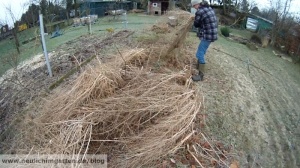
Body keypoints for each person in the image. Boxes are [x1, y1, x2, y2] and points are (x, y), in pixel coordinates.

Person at [191, 0, 218, 81]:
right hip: (213, 34)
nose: (194, 8)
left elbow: (196, 24)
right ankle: (198, 66)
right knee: (202, 50)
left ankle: (200, 76)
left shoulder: (200, 11)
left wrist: (194, 19)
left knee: (199, 53)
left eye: (194, 6)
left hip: (208, 34)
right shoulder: (209, 8)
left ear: (197, 4)